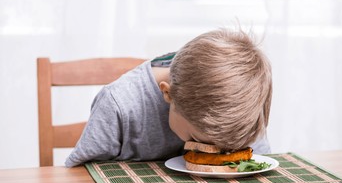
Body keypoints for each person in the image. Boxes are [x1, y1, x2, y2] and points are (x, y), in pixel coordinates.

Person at [65, 28, 272, 167]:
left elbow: (261, 162)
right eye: (195, 139)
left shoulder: (243, 100)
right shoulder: (119, 104)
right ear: (168, 94)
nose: (216, 152)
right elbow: (80, 178)